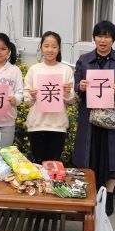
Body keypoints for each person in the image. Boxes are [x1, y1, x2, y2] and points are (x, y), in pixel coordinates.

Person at [73, 20, 115, 216]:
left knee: (112, 155)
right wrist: (80, 86)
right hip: (89, 116)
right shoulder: (84, 59)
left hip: (113, 117)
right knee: (89, 153)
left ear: (113, 39)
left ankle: (109, 195)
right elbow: (76, 85)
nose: (103, 40)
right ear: (94, 38)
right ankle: (90, 193)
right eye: (99, 36)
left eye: (107, 36)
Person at [23, 31, 76, 163]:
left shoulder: (66, 70)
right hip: (37, 125)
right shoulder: (34, 69)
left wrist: (67, 92)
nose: (50, 50)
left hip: (58, 125)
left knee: (53, 166)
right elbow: (26, 100)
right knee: (38, 165)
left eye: (54, 46)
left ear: (59, 49)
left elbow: (71, 100)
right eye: (46, 46)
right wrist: (32, 95)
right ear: (41, 48)